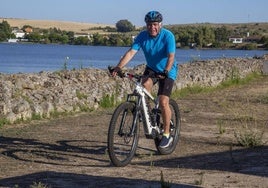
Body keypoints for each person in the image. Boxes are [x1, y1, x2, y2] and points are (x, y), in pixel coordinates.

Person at [111, 10, 178, 148]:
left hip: (167, 70)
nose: (151, 27)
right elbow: (131, 53)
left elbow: (171, 56)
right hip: (152, 68)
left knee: (163, 101)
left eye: (154, 24)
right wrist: (118, 68)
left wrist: (165, 71)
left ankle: (166, 134)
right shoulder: (142, 36)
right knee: (144, 85)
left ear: (160, 24)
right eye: (149, 24)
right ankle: (150, 114)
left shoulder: (168, 36)